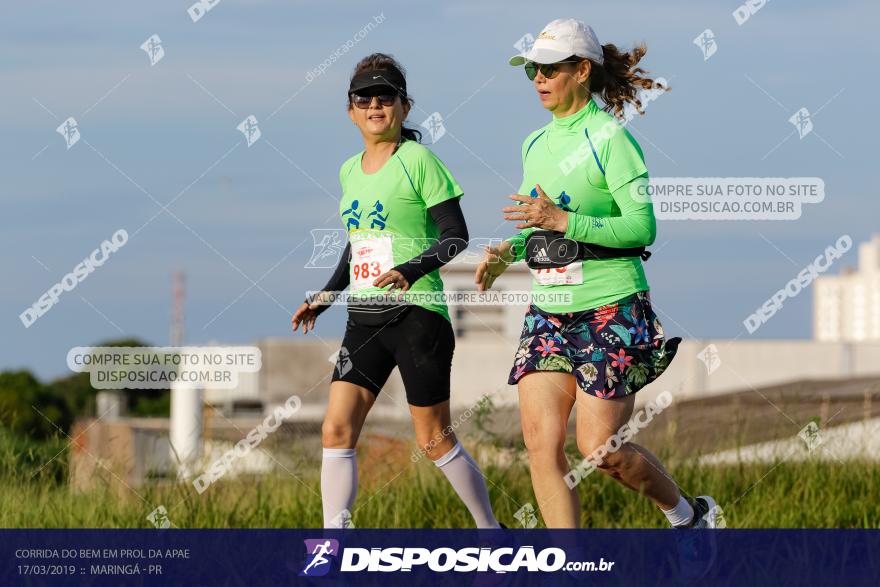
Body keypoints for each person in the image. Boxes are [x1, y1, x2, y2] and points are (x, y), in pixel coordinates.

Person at [475, 18, 718, 532]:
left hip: (611, 304)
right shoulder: (534, 143)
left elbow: (641, 227)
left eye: (550, 69)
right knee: (540, 445)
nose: (539, 79)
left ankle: (688, 516)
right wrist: (507, 251)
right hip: (549, 308)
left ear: (581, 70)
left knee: (600, 450)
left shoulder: (611, 138)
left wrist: (565, 220)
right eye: (533, 71)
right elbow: (540, 222)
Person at [292, 53, 501, 529]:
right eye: (363, 97)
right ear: (350, 110)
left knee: (432, 439)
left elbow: (455, 236)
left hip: (416, 315)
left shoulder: (419, 160)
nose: (374, 105)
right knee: (336, 428)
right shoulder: (349, 171)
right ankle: (333, 544)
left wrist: (410, 268)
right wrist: (324, 297)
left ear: (404, 107)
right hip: (362, 317)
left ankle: (492, 535)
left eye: (385, 96)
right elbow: (358, 245)